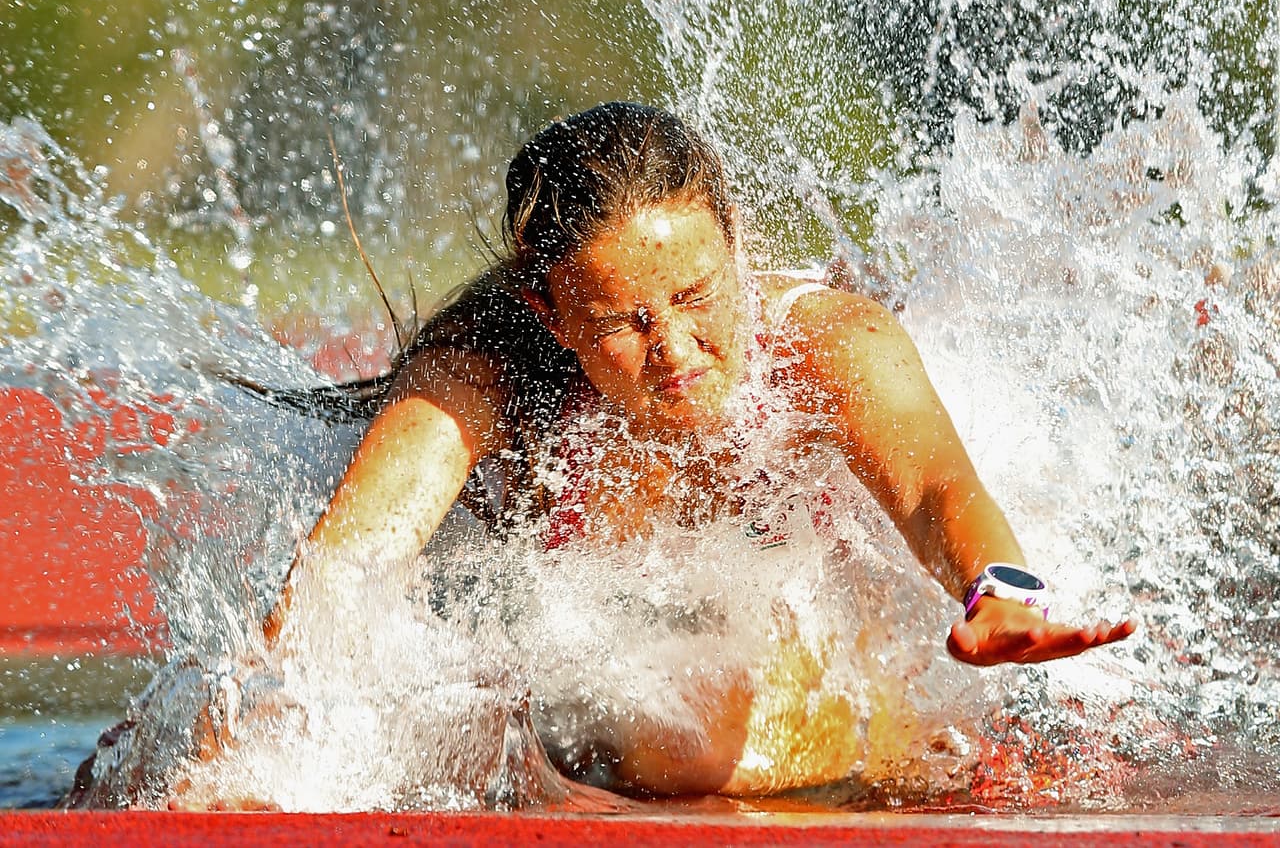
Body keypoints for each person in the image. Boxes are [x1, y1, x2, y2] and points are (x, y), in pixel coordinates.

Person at [259, 101, 1134, 796]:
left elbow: (935, 485)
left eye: (694, 294)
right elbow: (343, 569)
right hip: (552, 671)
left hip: (811, 646)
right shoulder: (477, 379)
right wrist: (242, 762)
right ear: (550, 315)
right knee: (586, 738)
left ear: (734, 240)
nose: (675, 351)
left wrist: (999, 592)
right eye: (623, 323)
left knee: (716, 744)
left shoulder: (824, 348)